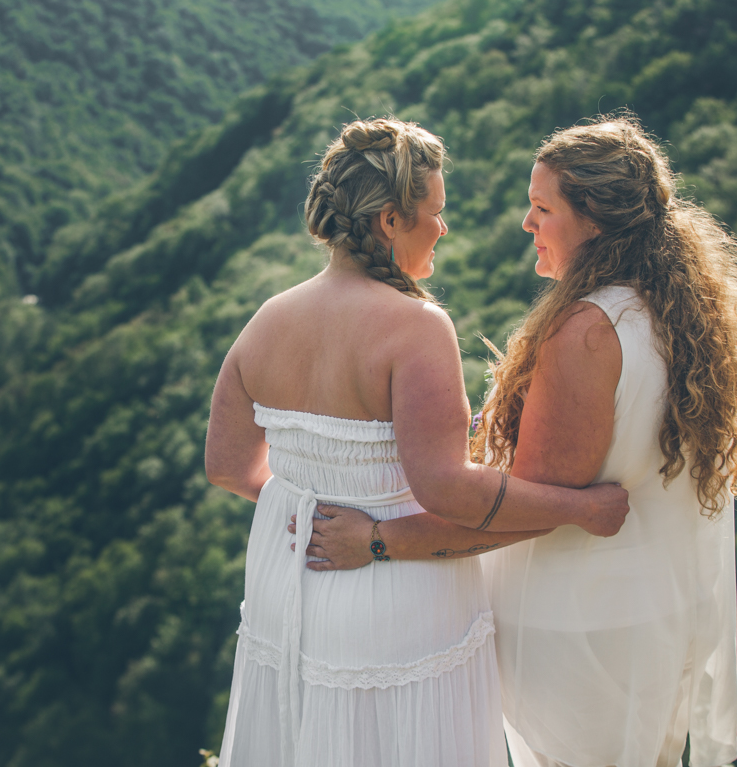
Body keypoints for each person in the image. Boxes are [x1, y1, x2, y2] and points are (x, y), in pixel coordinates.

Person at [296, 116, 737, 766]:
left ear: (593, 220)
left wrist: (378, 542)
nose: (527, 224)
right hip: (646, 616)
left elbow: (522, 514)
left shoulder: (589, 332)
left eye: (542, 208)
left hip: (578, 631)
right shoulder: (674, 311)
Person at [205, 117, 630, 767]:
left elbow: (229, 467)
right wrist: (578, 506)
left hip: (287, 593)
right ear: (390, 222)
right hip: (393, 603)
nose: (444, 227)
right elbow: (445, 487)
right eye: (434, 212)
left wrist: (309, 504)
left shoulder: (267, 320)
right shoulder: (415, 327)